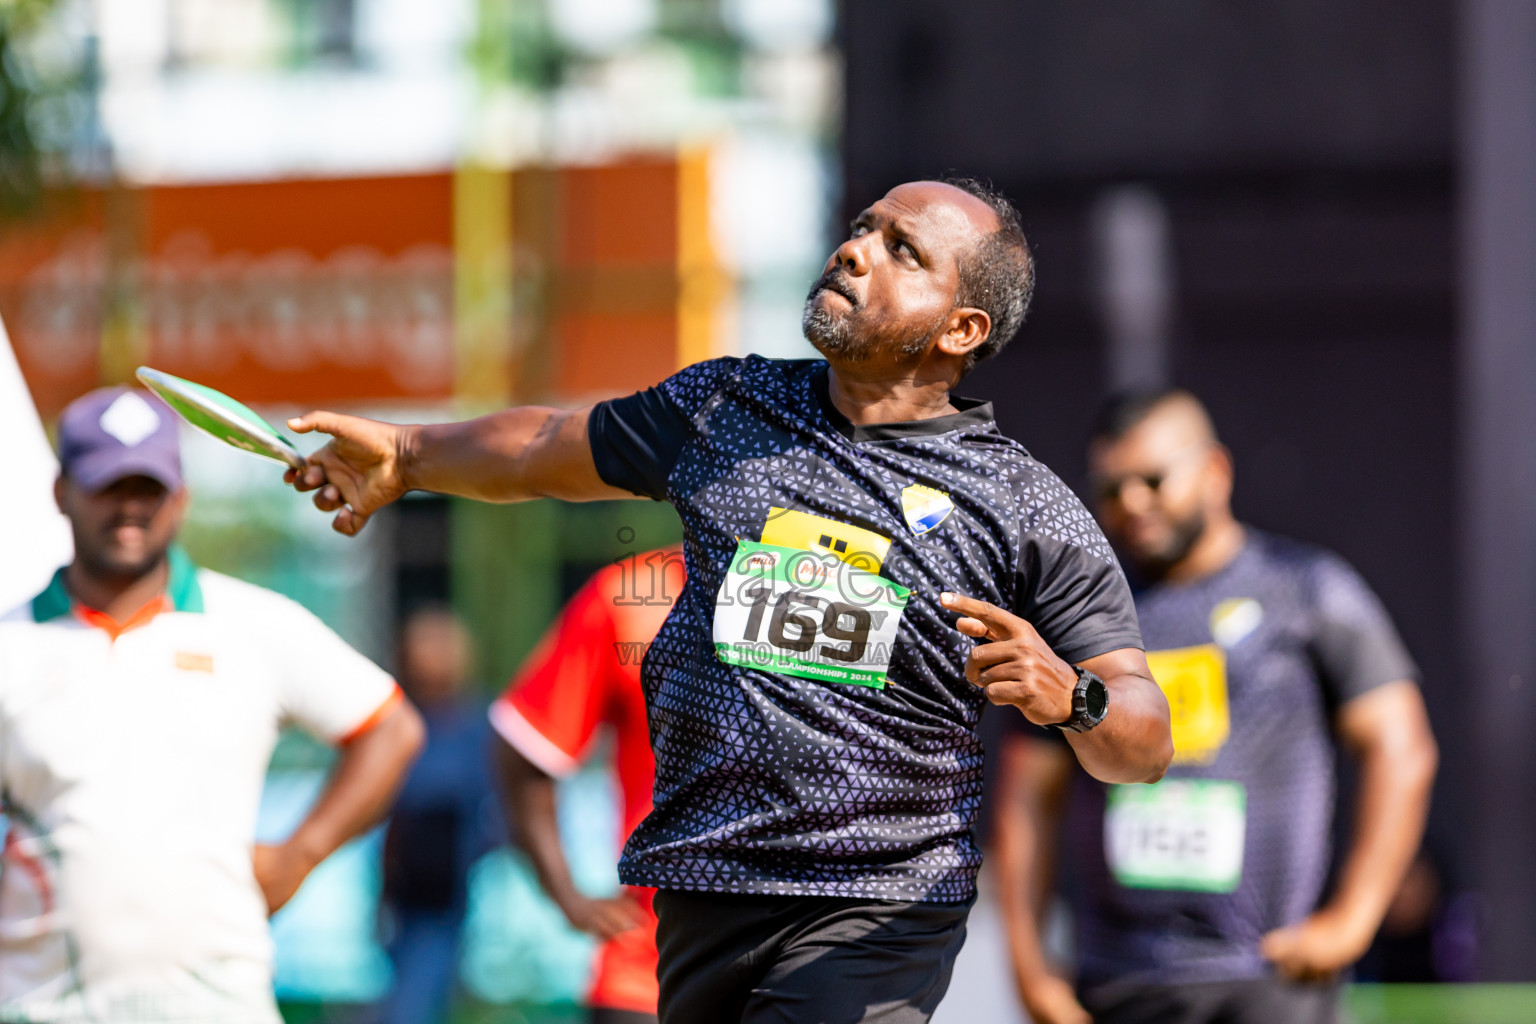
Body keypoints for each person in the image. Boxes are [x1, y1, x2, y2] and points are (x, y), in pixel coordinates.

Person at [283, 178, 1174, 1024]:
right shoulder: (727, 407)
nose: (856, 250)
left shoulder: (1021, 506)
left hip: (877, 903)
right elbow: (546, 444)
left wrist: (1075, 697)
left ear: (960, 327)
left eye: (900, 249)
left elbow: (1145, 739)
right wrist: (406, 453)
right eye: (863, 227)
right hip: (705, 882)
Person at [996, 390, 1438, 1024]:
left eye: (1152, 480)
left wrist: (1353, 919)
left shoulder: (1305, 592)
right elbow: (1027, 798)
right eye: (1112, 488)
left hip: (1268, 975)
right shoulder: (1082, 622)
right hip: (1118, 985)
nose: (1132, 504)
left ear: (1215, 473)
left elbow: (1402, 745)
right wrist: (1031, 970)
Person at [0, 387, 424, 1024]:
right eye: (107, 486)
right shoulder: (12, 645)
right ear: (61, 493)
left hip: (219, 1006)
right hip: (45, 1006)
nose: (130, 508)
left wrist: (297, 855)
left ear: (182, 497)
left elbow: (390, 729)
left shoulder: (249, 623)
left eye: (148, 488)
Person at [490, 547, 684, 1024]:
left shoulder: (853, 589)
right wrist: (565, 893)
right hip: (649, 974)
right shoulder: (635, 597)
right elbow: (526, 745)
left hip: (830, 961)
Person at [380, 607, 497, 1024]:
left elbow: (496, 817)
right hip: (406, 900)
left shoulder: (477, 729)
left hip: (457, 901)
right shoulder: (400, 722)